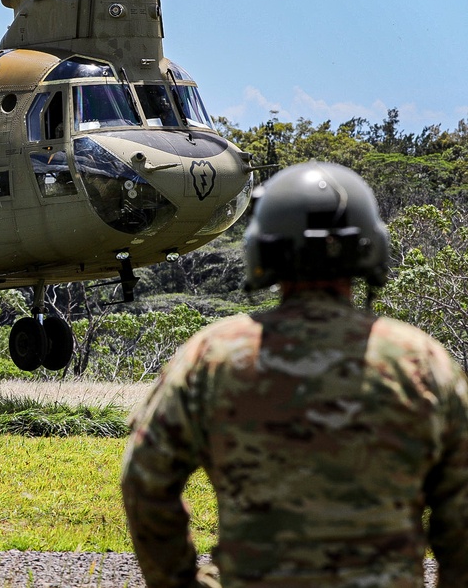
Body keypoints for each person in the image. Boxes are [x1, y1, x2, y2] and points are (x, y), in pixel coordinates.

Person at [121, 161, 468, 588]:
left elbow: (144, 481)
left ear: (263, 251)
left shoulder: (212, 357)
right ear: (369, 248)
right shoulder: (423, 361)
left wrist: (178, 581)